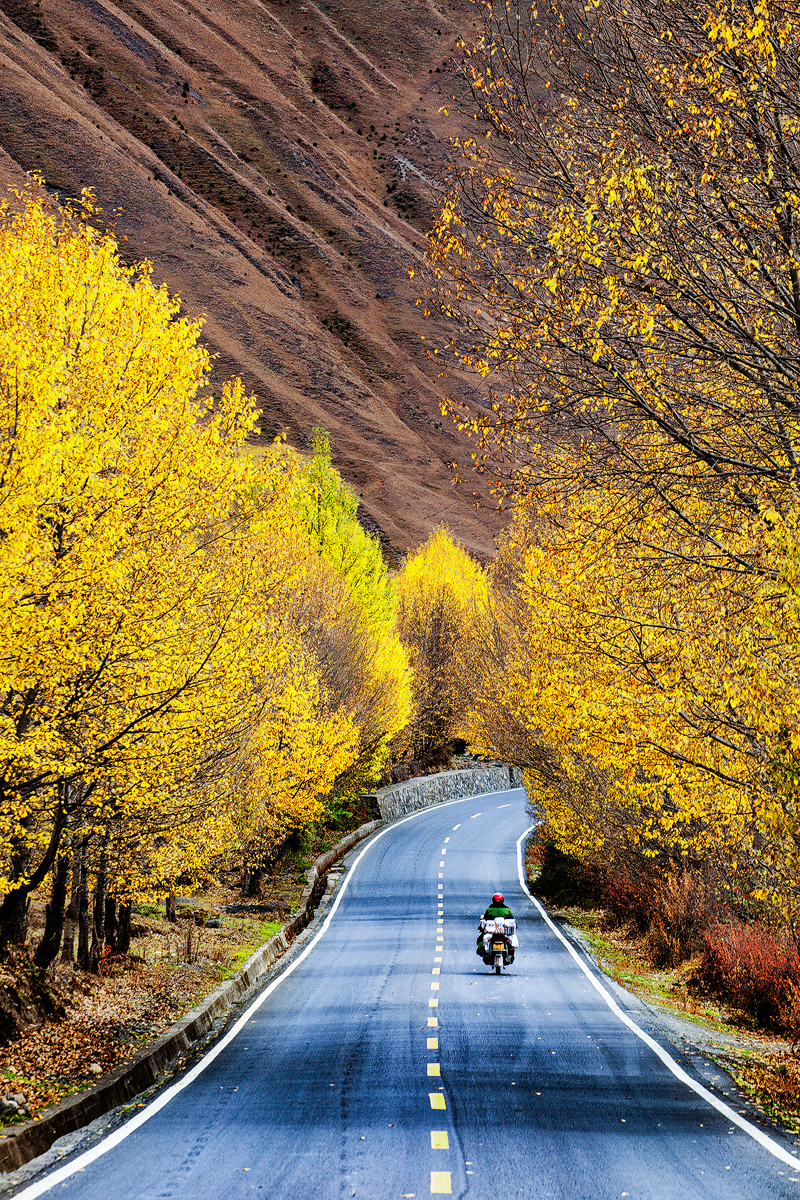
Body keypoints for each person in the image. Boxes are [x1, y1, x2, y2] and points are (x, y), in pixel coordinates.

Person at [476, 892, 517, 960]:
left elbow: (484, 921)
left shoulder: (489, 910)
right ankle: (510, 955)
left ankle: (486, 954)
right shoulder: (507, 910)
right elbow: (513, 920)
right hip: (504, 933)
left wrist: (481, 927)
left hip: (491, 932)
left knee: (481, 940)